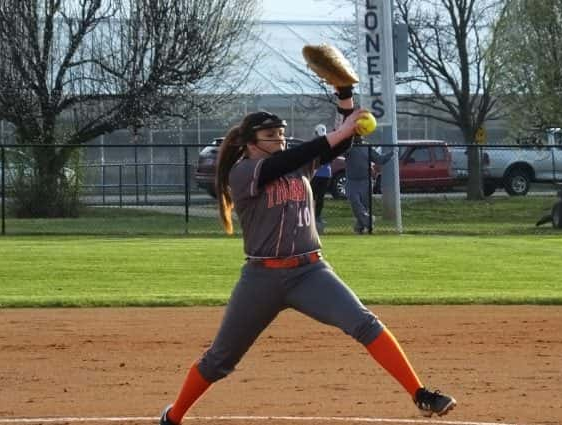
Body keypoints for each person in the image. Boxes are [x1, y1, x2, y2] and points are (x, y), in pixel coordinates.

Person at [158, 85, 456, 425]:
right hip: (261, 279)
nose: (280, 140)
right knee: (219, 360)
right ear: (250, 142)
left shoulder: (297, 164)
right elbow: (287, 160)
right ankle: (174, 416)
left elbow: (341, 143)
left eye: (283, 134)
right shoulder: (243, 172)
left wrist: (345, 99)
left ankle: (420, 394)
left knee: (364, 323)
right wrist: (339, 130)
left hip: (310, 272)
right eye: (271, 135)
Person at [344, 137, 394, 234]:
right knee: (356, 204)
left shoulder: (367, 146)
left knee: (364, 207)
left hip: (366, 182)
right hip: (352, 181)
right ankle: (370, 221)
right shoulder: (348, 147)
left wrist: (392, 153)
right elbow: (341, 152)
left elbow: (379, 159)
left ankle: (359, 228)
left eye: (359, 135)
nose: (358, 137)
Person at [310, 124, 331, 233]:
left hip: (318, 174)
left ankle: (315, 216)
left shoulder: (315, 144)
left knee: (315, 197)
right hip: (324, 174)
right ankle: (315, 216)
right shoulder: (327, 143)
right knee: (317, 197)